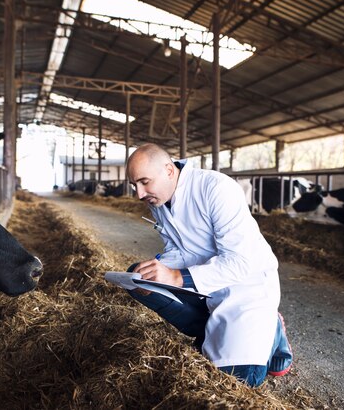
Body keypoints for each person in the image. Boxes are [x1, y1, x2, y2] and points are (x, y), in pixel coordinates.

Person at [124, 143, 292, 387]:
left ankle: (271, 327)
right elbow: (177, 248)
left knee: (239, 381)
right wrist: (158, 268)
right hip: (204, 283)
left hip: (247, 288)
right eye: (134, 185)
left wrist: (175, 278)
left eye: (144, 182)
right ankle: (208, 332)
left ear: (169, 171)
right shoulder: (158, 199)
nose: (139, 193)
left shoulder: (216, 188)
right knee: (137, 278)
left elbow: (240, 262)